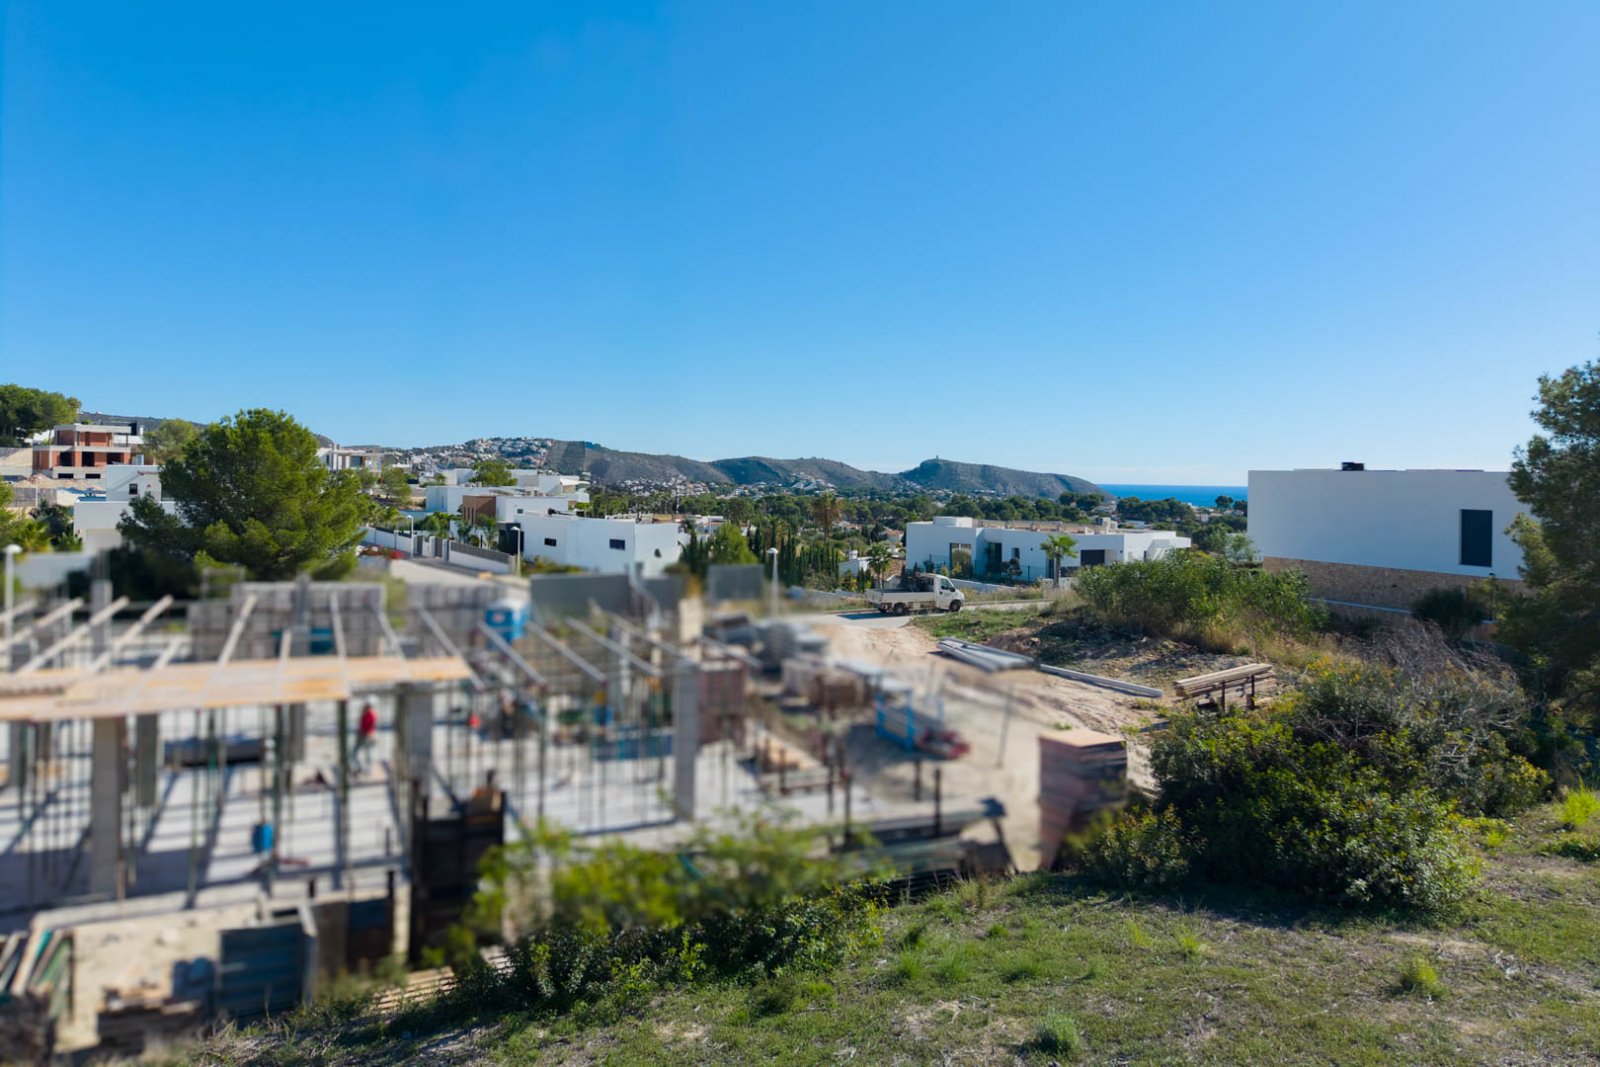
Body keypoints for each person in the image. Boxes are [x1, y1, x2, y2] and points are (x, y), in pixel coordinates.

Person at [353, 702, 378, 775]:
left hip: (368, 736)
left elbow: (370, 726)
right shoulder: (364, 714)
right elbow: (361, 724)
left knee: (368, 754)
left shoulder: (372, 715)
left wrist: (371, 736)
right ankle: (359, 767)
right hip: (361, 735)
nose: (366, 708)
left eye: (368, 706)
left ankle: (368, 769)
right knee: (355, 752)